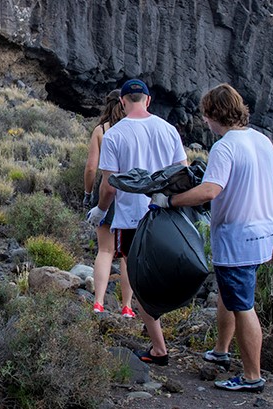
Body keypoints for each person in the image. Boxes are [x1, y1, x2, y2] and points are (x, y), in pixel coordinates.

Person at [151, 83, 273, 392]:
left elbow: (210, 190)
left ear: (214, 114)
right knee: (230, 291)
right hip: (263, 230)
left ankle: (252, 377)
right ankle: (222, 351)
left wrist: (170, 201)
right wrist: (263, 205)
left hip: (238, 236)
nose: (206, 123)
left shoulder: (225, 146)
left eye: (206, 116)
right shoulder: (261, 140)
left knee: (242, 304)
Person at [86, 79, 187, 365]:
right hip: (165, 214)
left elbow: (109, 186)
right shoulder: (169, 131)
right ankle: (156, 329)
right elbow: (183, 174)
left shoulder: (116, 135)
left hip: (131, 218)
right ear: (148, 100)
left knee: (138, 274)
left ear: (122, 102)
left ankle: (158, 347)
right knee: (158, 273)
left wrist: (100, 210)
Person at [83, 89, 135, 317]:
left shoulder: (101, 131)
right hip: (130, 195)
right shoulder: (133, 129)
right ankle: (127, 307)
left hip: (105, 193)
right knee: (127, 254)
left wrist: (87, 193)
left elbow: (91, 168)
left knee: (105, 250)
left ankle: (98, 303)